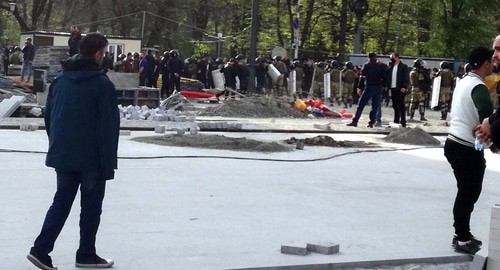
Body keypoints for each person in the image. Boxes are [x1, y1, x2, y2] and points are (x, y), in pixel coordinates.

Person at [27, 32, 119, 270]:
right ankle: (86, 255)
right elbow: (109, 127)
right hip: (92, 158)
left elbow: (50, 118)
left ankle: (40, 250)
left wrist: (58, 146)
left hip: (64, 155)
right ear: (98, 54)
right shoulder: (102, 84)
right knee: (90, 208)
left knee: (61, 202)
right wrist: (108, 163)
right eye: (105, 53)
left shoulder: (59, 81)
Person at [445, 46, 494, 255]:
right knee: (468, 193)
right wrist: (493, 142)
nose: (494, 64)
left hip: (454, 143)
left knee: (466, 192)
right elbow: (486, 117)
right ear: (485, 63)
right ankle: (462, 238)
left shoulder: (464, 81)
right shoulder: (479, 88)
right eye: (491, 60)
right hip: (465, 148)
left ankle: (462, 233)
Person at [347, 52, 386, 128]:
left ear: (368, 57)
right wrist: (383, 86)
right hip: (378, 87)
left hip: (369, 87)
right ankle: (371, 123)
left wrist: (359, 87)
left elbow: (362, 77)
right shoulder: (381, 66)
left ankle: (355, 121)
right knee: (374, 106)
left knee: (361, 105)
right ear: (376, 58)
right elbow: (385, 76)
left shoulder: (366, 65)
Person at [386, 52, 409, 127]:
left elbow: (406, 78)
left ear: (397, 57)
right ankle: (396, 120)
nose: (391, 59)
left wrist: (404, 86)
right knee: (395, 105)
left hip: (400, 88)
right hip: (393, 88)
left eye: (392, 57)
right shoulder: (391, 67)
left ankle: (403, 121)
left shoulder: (403, 67)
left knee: (401, 105)